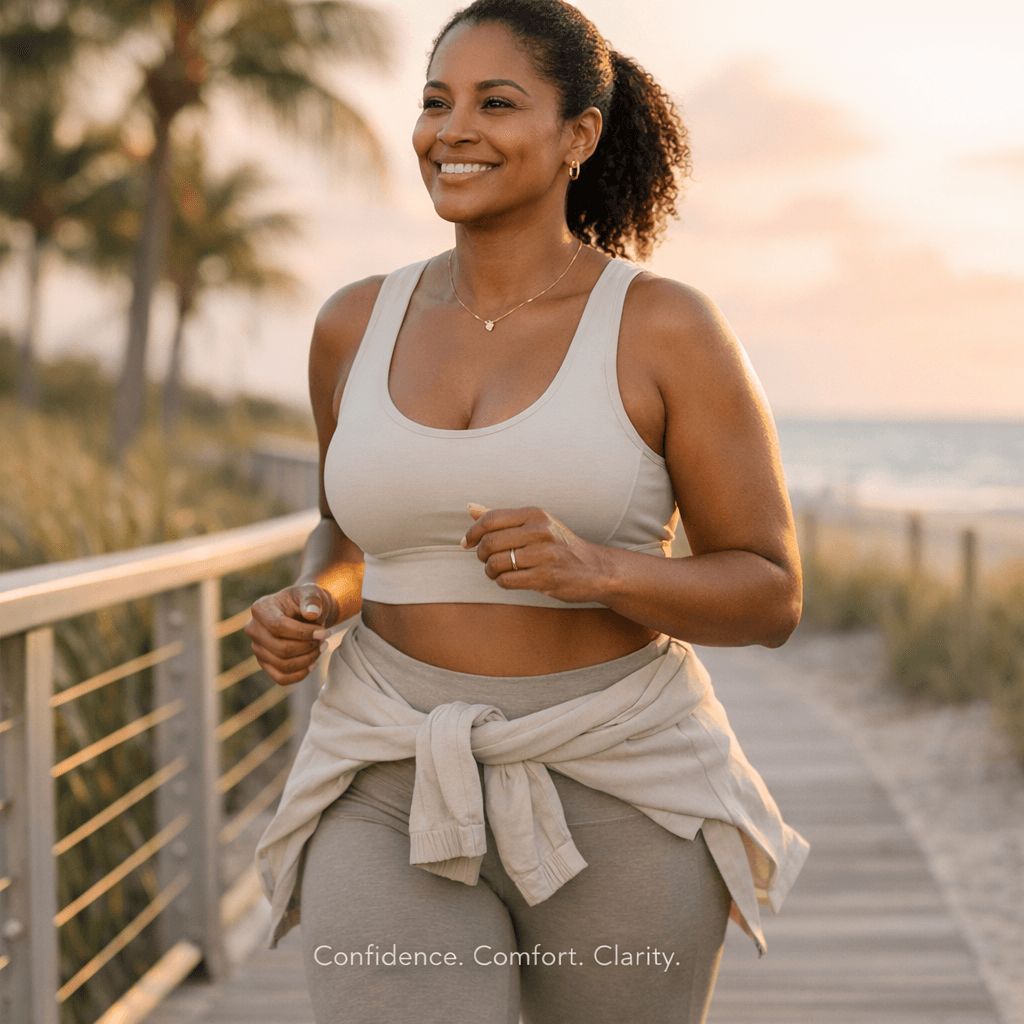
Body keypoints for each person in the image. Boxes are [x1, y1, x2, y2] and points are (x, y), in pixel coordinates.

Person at [248, 2, 809, 1022]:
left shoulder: (665, 326)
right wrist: (314, 603)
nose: (450, 130)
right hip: (388, 764)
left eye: (495, 103)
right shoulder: (350, 324)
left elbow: (768, 593)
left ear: (577, 137)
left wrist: (602, 571)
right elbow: (351, 534)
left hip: (623, 781)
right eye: (434, 102)